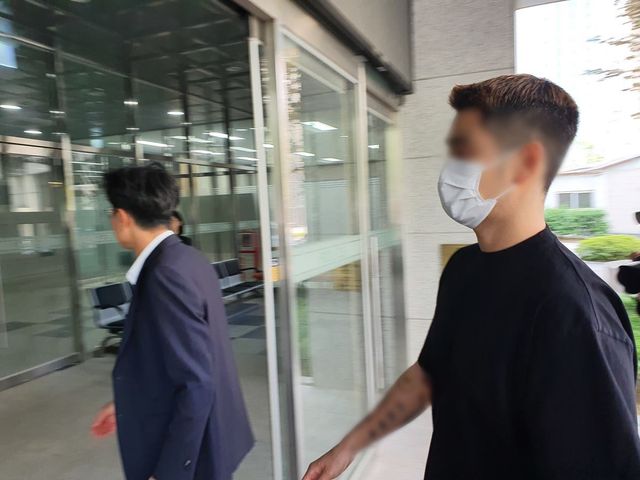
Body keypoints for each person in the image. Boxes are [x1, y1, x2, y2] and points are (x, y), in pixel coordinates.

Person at [303, 74, 640, 480]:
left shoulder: (575, 315)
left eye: (465, 151)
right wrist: (348, 448)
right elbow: (428, 373)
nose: (449, 169)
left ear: (526, 163)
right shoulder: (464, 267)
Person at [91, 164, 253, 480]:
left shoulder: (164, 275)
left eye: (112, 212)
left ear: (123, 217)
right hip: (211, 435)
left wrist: (169, 473)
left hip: (194, 455)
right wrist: (128, 405)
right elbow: (174, 358)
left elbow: (196, 382)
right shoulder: (187, 258)